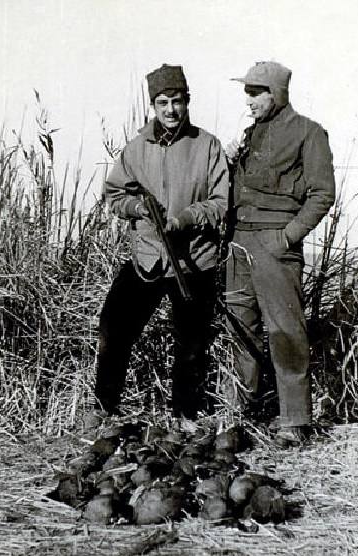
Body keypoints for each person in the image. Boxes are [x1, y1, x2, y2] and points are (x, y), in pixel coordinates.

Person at [96, 64, 229, 420]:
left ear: (188, 102)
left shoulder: (208, 146)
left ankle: (184, 418)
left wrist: (183, 219)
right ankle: (104, 409)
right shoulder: (136, 149)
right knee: (113, 329)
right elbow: (114, 195)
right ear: (153, 106)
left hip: (194, 261)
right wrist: (138, 207)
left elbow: (220, 202)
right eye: (164, 102)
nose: (172, 110)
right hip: (148, 259)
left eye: (178, 101)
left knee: (191, 344)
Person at [225, 61, 336, 447]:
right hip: (238, 244)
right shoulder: (247, 135)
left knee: (285, 331)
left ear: (278, 93)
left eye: (256, 93)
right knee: (242, 331)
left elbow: (322, 194)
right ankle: (242, 415)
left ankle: (294, 422)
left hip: (275, 246)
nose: (249, 100)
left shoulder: (309, 133)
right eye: (247, 93)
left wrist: (287, 237)